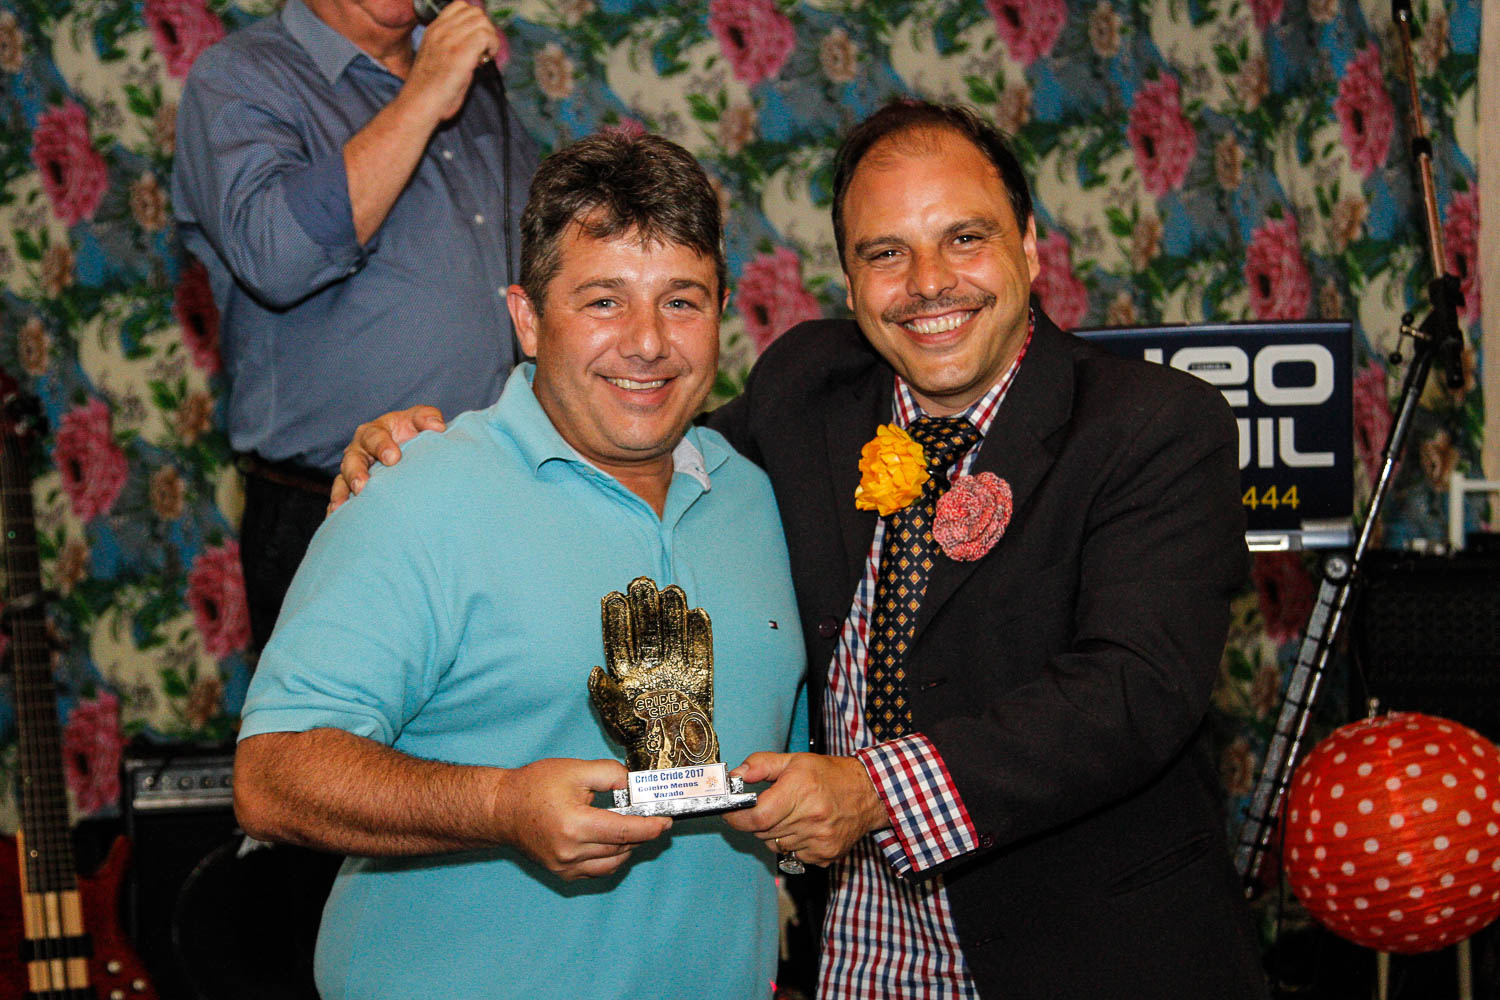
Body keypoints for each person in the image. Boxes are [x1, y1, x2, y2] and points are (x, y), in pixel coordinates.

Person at [336, 101, 1268, 999]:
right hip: (859, 954)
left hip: (1080, 955)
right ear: (850, 281)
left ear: (1029, 246)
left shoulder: (1153, 425)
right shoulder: (808, 389)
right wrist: (446, 445)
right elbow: (632, 439)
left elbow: (1135, 688)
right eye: (885, 252)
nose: (929, 282)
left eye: (965, 238)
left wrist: (877, 792)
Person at [233, 132, 806, 1000]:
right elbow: (272, 778)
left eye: (682, 302)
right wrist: (501, 808)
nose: (648, 343)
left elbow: (778, 776)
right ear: (528, 319)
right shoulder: (416, 492)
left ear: (722, 312)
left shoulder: (757, 501)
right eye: (604, 300)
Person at [172, 0, 539, 650]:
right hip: (340, 504)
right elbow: (276, 256)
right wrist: (423, 94)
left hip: (499, 495)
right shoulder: (238, 77)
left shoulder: (468, 75)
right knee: (343, 720)